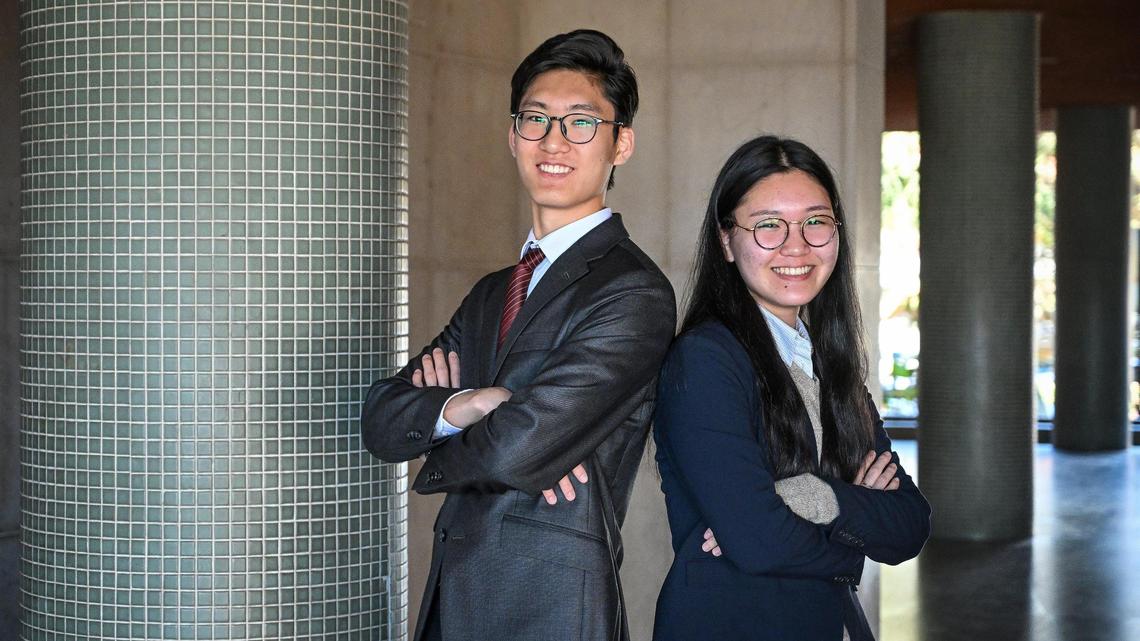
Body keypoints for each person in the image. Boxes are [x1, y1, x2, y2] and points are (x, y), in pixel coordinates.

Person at [360, 29, 676, 641]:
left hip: (549, 603)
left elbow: (517, 448)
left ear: (621, 144)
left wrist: (447, 435)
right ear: (512, 136)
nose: (553, 141)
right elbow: (382, 419)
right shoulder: (491, 292)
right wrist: (469, 403)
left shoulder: (632, 292)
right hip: (454, 599)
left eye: (580, 123)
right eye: (535, 120)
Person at [651, 135, 931, 641]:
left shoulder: (830, 365)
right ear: (725, 241)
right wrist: (852, 538)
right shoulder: (705, 360)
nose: (796, 246)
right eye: (767, 226)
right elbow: (761, 542)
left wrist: (809, 496)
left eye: (815, 222)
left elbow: (909, 524)